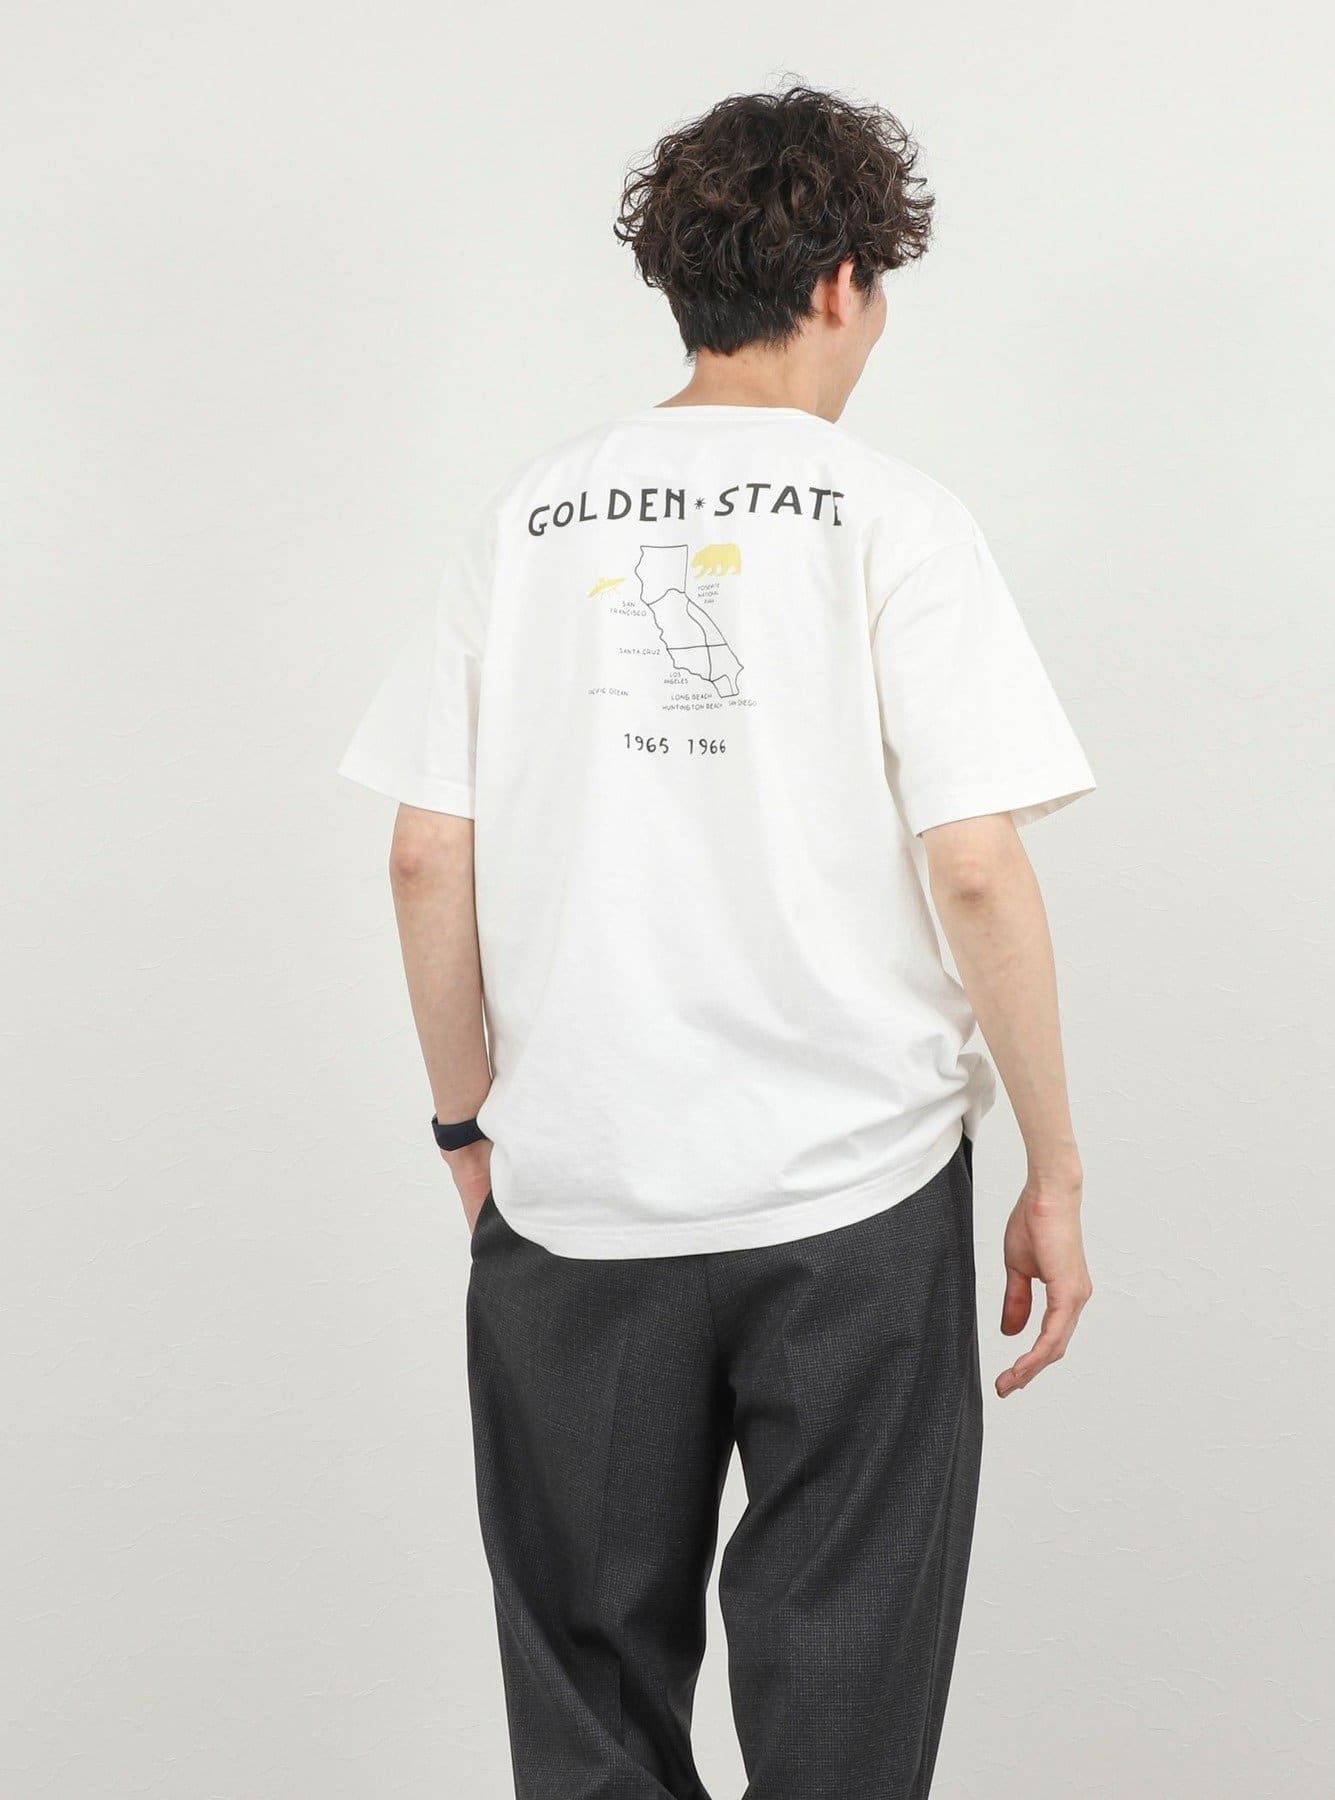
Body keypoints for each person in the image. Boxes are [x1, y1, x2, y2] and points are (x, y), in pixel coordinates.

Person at [338, 81, 1096, 1800]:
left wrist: (467, 1128)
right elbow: (977, 870)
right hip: (853, 1194)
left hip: (580, 1192)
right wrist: (1054, 1167)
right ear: (839, 282)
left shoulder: (527, 516)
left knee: (589, 1710)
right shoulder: (897, 518)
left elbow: (422, 853)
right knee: (845, 1709)